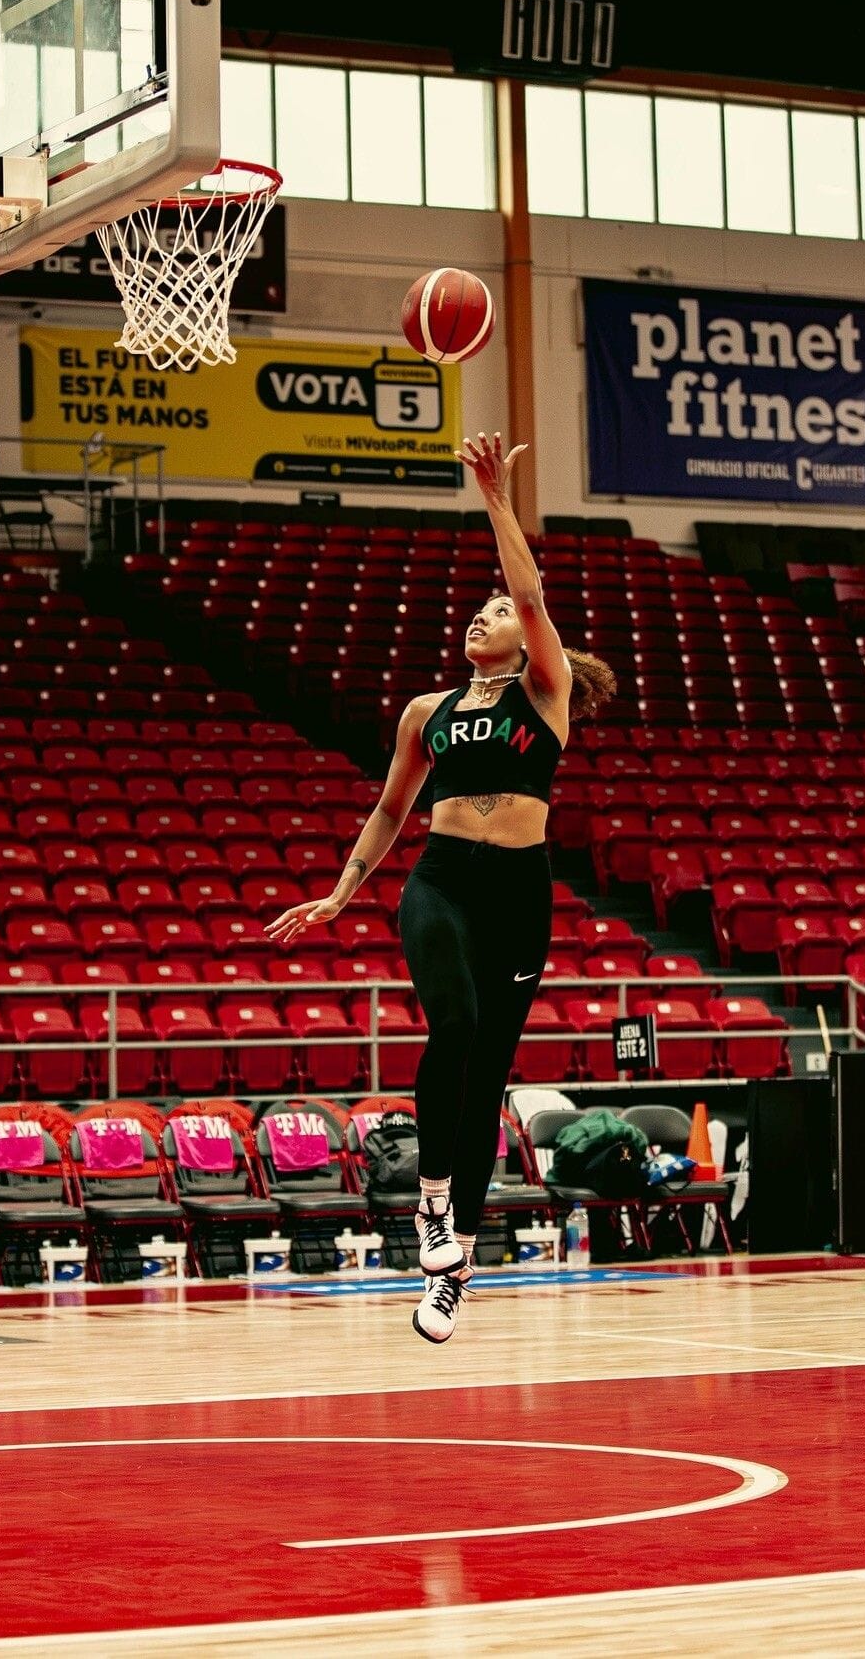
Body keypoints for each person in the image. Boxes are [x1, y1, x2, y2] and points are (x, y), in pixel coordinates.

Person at [265, 432, 617, 1342]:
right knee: (454, 1027)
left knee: (490, 1071)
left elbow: (533, 593)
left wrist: (496, 498)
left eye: (494, 610)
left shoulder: (545, 695)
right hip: (444, 878)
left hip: (520, 888)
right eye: (477, 609)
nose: (483, 615)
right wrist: (343, 891)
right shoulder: (427, 713)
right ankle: (429, 1204)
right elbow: (388, 813)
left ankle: (454, 1259)